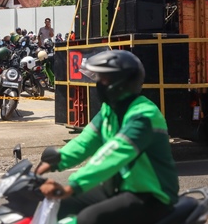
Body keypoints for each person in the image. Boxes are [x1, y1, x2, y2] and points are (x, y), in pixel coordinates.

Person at [36, 50, 179, 223]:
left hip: (152, 194)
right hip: (120, 187)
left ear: (120, 83)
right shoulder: (109, 111)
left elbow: (114, 153)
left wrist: (74, 185)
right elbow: (85, 142)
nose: (98, 84)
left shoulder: (144, 115)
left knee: (89, 218)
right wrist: (54, 161)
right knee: (60, 204)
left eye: (102, 79)